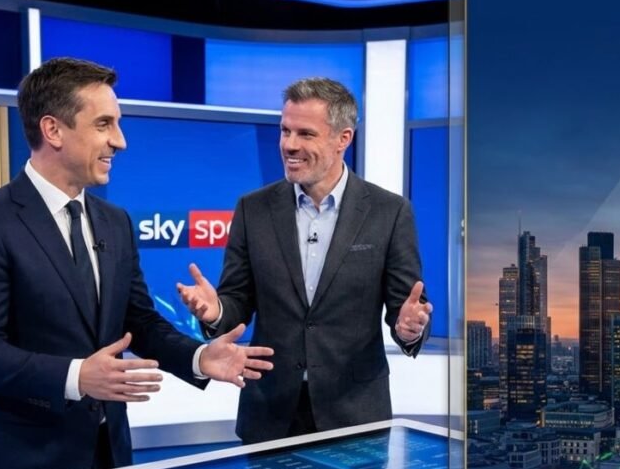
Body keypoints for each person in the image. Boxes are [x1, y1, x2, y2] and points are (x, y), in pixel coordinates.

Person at [0, 57, 273, 469]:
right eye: (104, 124)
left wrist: (197, 359)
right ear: (53, 129)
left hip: (104, 454)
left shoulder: (114, 222)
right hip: (20, 462)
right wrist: (77, 376)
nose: (119, 141)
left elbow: (137, 322)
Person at [177, 77, 432, 444]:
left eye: (305, 134)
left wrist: (410, 327)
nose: (289, 145)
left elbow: (404, 309)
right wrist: (215, 310)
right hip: (270, 413)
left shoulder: (389, 212)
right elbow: (237, 301)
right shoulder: (253, 209)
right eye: (285, 131)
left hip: (355, 415)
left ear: (343, 138)